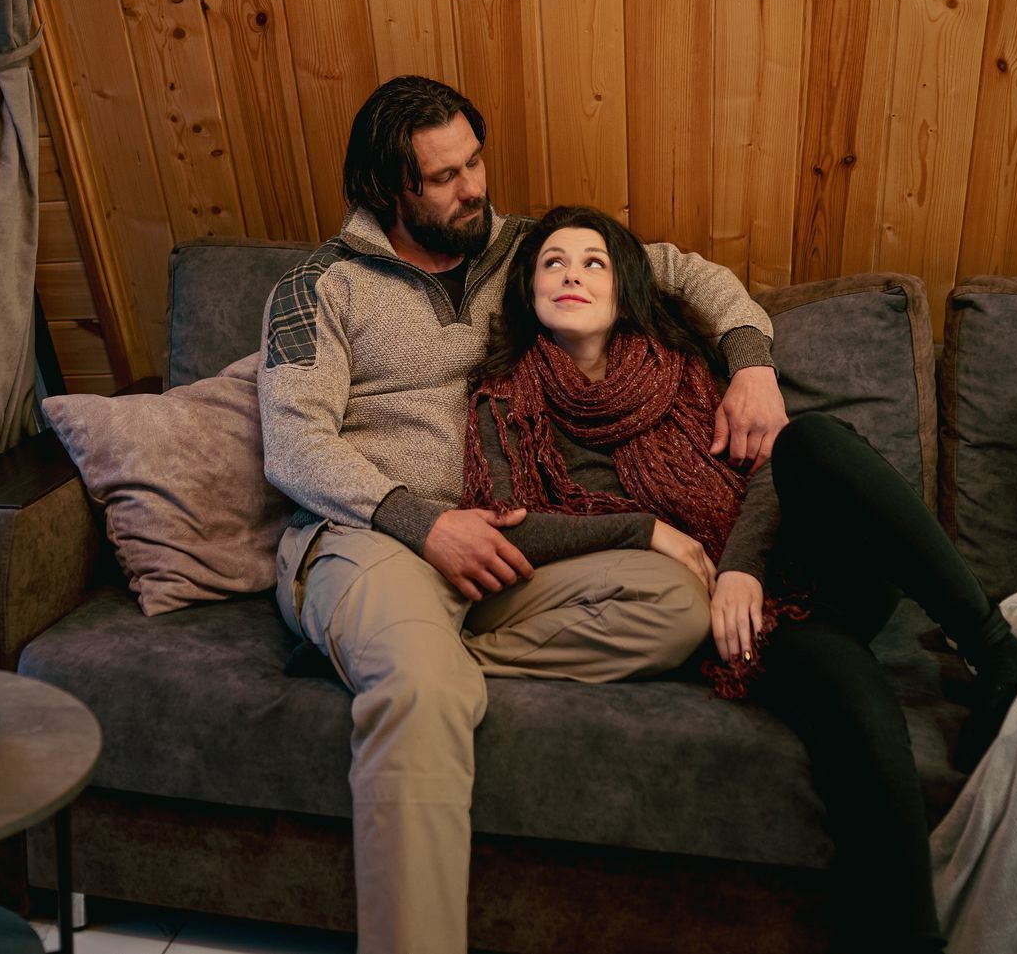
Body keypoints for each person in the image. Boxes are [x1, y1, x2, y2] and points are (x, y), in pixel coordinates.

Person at [259, 77, 788, 954]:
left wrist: (753, 361)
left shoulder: (527, 250)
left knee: (675, 604)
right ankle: (408, 667)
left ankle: (396, 656)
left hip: (504, 547)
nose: (474, 187)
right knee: (423, 690)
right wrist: (422, 523)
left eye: (475, 161)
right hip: (370, 538)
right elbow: (294, 445)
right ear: (391, 190)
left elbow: (692, 275)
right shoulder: (317, 288)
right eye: (445, 177)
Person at [460, 204, 1017, 954]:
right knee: (857, 703)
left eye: (593, 260)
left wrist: (739, 567)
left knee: (814, 442)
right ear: (525, 291)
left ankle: (992, 649)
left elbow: (767, 468)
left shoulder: (681, 366)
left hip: (790, 562)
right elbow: (509, 517)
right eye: (552, 262)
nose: (571, 273)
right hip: (744, 633)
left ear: (625, 285)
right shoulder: (506, 397)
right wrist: (646, 530)